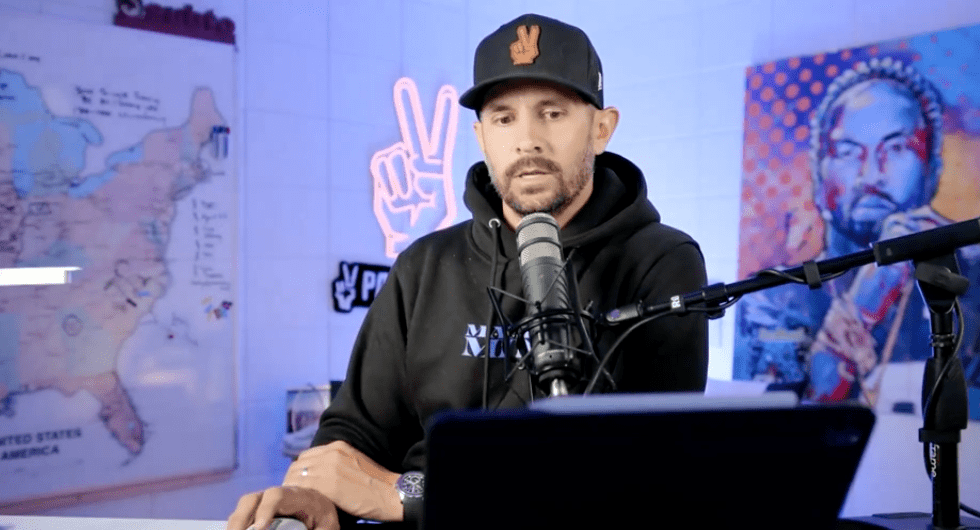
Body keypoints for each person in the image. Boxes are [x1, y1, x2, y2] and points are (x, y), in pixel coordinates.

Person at [228, 13, 707, 530]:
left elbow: (644, 477)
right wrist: (315, 499)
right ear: (480, 137)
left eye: (552, 113)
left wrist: (406, 494)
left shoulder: (662, 261)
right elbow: (357, 435)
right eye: (504, 118)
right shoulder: (425, 265)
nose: (528, 141)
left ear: (601, 129)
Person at [736, 57, 979, 404]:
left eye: (896, 148)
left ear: (933, 169)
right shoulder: (772, 300)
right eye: (848, 152)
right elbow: (782, 425)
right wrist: (864, 305)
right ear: (818, 174)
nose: (871, 175)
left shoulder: (971, 287)